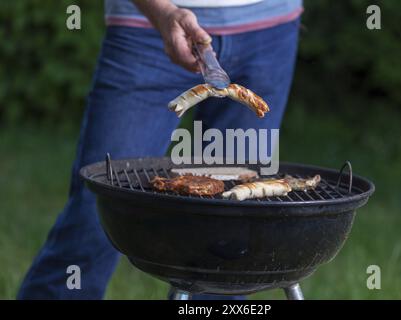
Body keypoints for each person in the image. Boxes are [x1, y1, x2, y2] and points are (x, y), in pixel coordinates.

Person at [17, 0, 303, 299]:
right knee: (97, 210)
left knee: (230, 229)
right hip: (147, 27)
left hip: (270, 28)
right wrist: (162, 12)